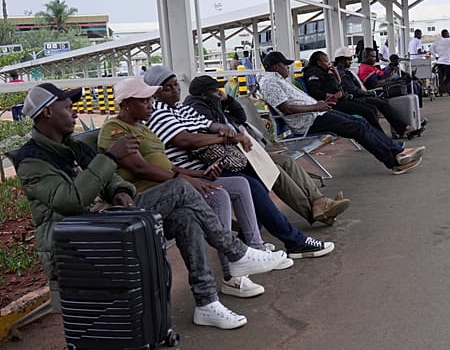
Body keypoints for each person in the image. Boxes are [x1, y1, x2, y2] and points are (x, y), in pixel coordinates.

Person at [15, 82, 287, 329]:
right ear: (48, 112)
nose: (74, 113)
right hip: (75, 238)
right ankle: (235, 252)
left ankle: (206, 303)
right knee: (181, 188)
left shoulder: (71, 145)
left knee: (184, 217)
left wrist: (120, 190)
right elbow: (71, 200)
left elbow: (110, 180)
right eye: (68, 107)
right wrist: (110, 157)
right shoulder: (32, 160)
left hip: (109, 221)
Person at [99, 77, 289, 301]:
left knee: (221, 192)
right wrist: (185, 179)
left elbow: (167, 165)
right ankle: (236, 253)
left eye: (151, 99)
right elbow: (141, 168)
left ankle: (222, 286)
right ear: (127, 104)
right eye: (144, 100)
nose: (151, 104)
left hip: (168, 189)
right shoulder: (115, 129)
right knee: (186, 190)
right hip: (142, 198)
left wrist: (201, 175)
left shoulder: (143, 127)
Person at [143, 66, 336, 258]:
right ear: (153, 92)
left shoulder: (181, 109)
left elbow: (208, 124)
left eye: (176, 84)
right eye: (167, 88)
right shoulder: (159, 112)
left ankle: (249, 241)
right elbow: (185, 140)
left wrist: (225, 129)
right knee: (252, 183)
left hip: (213, 165)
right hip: (195, 172)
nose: (175, 90)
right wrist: (227, 138)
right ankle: (293, 241)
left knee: (261, 178)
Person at [184, 74, 352, 224]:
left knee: (286, 161)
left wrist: (228, 99)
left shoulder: (212, 105)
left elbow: (240, 118)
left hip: (245, 152)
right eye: (216, 90)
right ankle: (317, 213)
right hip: (231, 160)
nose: (219, 92)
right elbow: (216, 135)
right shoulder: (199, 108)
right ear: (205, 93)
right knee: (274, 171)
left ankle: (319, 201)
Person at [260, 51, 425, 175]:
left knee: (361, 123)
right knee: (357, 126)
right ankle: (394, 162)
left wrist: (319, 106)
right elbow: (286, 109)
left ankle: (396, 151)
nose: (288, 67)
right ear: (276, 67)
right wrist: (316, 107)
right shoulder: (269, 82)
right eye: (285, 65)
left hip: (317, 114)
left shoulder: (277, 80)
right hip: (309, 120)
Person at [332, 47, 424, 139]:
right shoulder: (342, 73)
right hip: (357, 97)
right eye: (349, 59)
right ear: (342, 60)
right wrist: (369, 93)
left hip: (361, 95)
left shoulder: (345, 71)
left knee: (382, 103)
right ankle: (391, 132)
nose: (351, 61)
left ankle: (406, 125)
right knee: (379, 106)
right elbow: (354, 90)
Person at [304, 50, 384, 132]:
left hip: (343, 99)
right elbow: (314, 92)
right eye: (326, 62)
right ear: (319, 63)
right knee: (369, 112)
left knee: (372, 109)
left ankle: (378, 136)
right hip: (335, 103)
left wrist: (336, 74)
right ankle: (380, 137)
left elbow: (338, 85)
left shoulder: (325, 72)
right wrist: (333, 96)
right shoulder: (313, 72)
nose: (329, 64)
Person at [431, 30, 450, 96]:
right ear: (446, 34)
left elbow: (431, 49)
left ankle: (442, 90)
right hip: (446, 63)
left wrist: (436, 56)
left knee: (441, 78)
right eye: (448, 33)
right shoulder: (449, 40)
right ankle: (443, 89)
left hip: (439, 62)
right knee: (449, 76)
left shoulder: (437, 41)